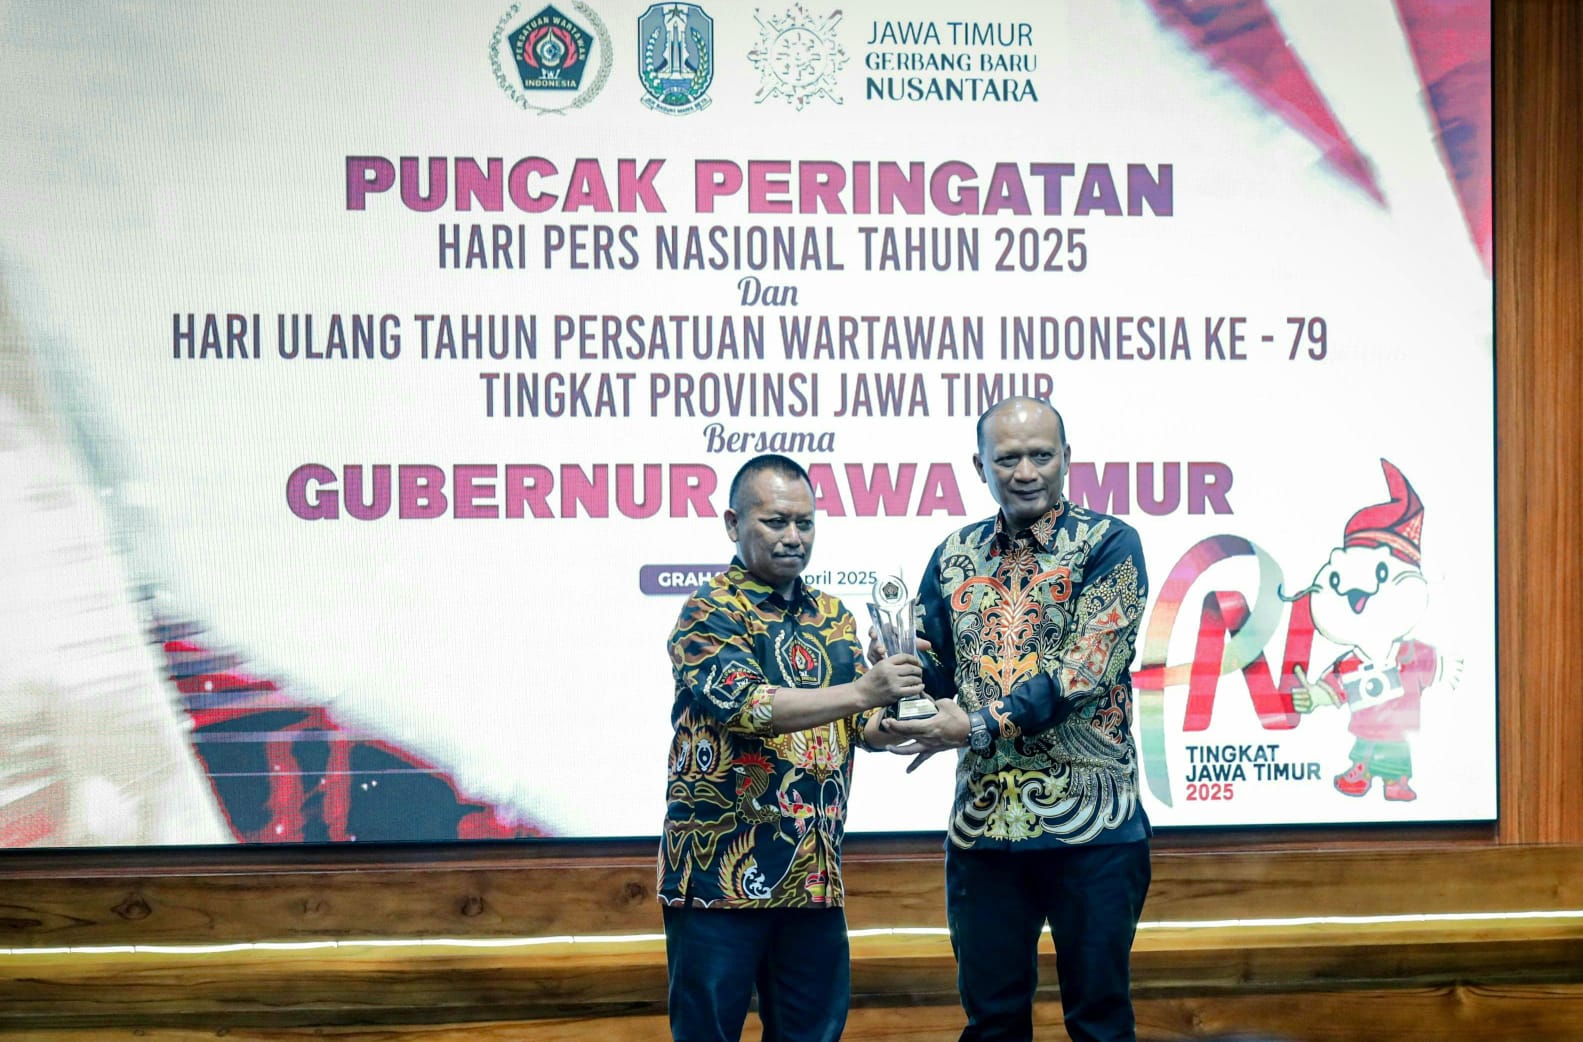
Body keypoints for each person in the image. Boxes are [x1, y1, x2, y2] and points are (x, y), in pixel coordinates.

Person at [876, 397, 1152, 1042]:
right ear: (981, 466)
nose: (1025, 471)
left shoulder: (1110, 543)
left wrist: (974, 725)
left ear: (1067, 459)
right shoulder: (953, 554)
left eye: (1041, 455)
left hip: (1093, 827)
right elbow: (938, 670)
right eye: (1007, 458)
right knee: (992, 1024)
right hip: (985, 830)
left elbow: (1084, 672)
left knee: (1100, 1023)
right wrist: (898, 668)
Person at [658, 453, 925, 1042]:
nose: (793, 537)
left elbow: (862, 727)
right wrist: (864, 691)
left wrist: (907, 705)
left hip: (812, 877)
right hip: (718, 880)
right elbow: (749, 706)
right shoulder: (708, 610)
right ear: (733, 524)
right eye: (776, 521)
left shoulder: (833, 615)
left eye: (805, 523)